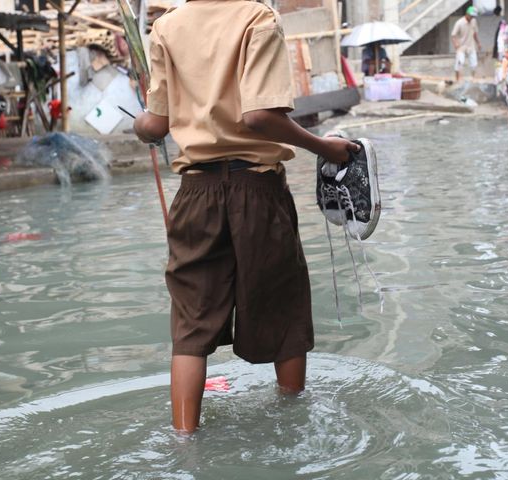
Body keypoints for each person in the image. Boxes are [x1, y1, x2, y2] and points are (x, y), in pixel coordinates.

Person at [132, 0, 359, 433]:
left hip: (194, 193)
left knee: (190, 324)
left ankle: (183, 440)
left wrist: (141, 126)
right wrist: (325, 147)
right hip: (257, 189)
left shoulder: (165, 28)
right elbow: (260, 117)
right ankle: (293, 430)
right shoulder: (258, 18)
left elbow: (155, 125)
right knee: (282, 309)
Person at [452, 6, 482, 83]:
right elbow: (453, 35)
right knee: (459, 63)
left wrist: (478, 43)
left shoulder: (474, 21)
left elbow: (474, 33)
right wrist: (455, 44)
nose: (472, 17)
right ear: (467, 14)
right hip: (461, 46)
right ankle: (457, 80)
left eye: (473, 16)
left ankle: (473, 79)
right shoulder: (459, 23)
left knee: (474, 65)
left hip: (471, 45)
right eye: (471, 16)